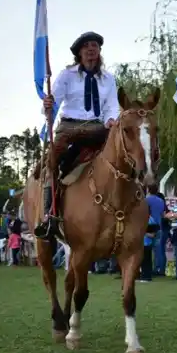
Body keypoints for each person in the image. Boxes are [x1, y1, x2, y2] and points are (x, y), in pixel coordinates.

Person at [36, 31, 121, 239]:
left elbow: (111, 105)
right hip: (69, 128)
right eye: (86, 46)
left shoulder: (109, 79)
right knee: (52, 161)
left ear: (99, 51)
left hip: (97, 127)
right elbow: (53, 101)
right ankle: (50, 215)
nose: (91, 49)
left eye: (95, 46)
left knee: (128, 150)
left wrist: (111, 119)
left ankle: (138, 211)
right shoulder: (67, 76)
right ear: (79, 53)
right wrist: (48, 104)